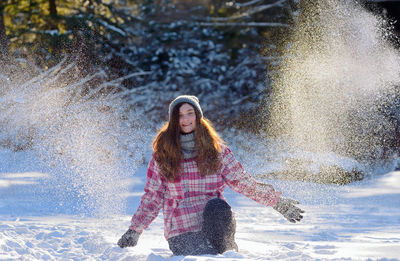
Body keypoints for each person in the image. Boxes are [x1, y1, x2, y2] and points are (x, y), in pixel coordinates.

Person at [118, 95, 304, 255]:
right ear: (174, 120)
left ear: (198, 116)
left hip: (217, 225)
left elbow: (242, 182)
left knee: (217, 207)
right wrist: (135, 230)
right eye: (180, 115)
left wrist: (276, 202)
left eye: (190, 113)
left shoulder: (217, 152)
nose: (186, 119)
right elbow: (153, 197)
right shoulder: (162, 156)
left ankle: (227, 250)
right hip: (182, 233)